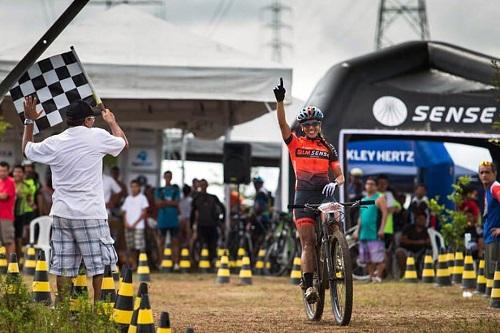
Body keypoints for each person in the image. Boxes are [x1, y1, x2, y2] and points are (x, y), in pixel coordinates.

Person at [22, 96, 127, 302]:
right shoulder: (97, 136)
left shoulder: (55, 141)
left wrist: (29, 120)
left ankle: (63, 313)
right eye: (92, 119)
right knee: (100, 266)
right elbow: (123, 143)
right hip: (90, 213)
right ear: (88, 120)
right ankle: (99, 313)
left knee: (63, 267)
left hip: (61, 213)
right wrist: (112, 121)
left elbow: (27, 148)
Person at [274, 78, 344, 303]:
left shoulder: (327, 147)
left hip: (325, 194)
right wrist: (280, 102)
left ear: (320, 126)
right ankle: (308, 283)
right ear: (303, 127)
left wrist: (338, 182)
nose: (312, 128)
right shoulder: (295, 143)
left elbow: (339, 173)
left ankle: (336, 253)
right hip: (303, 197)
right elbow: (283, 125)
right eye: (308, 125)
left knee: (333, 223)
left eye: (315, 124)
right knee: (307, 242)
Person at [353, 177, 388, 283]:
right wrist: (356, 231)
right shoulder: (363, 200)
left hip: (375, 231)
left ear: (376, 186)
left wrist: (382, 228)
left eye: (372, 184)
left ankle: (378, 276)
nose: (369, 186)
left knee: (378, 257)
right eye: (367, 184)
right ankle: (372, 277)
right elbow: (360, 217)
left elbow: (385, 213)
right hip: (364, 232)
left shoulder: (379, 198)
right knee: (367, 258)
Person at [191, 179, 225, 263]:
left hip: (212, 224)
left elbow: (222, 208)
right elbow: (192, 212)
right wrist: (191, 225)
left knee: (212, 244)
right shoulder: (196, 198)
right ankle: (199, 261)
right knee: (200, 244)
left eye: (204, 185)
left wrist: (222, 221)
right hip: (201, 224)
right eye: (201, 185)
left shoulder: (213, 197)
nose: (203, 187)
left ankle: (212, 260)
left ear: (207, 186)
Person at [478, 161, 500, 284]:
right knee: (492, 277)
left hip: (496, 239)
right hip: (490, 238)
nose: (484, 175)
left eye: (487, 172)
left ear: (494, 173)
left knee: (495, 275)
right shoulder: (488, 189)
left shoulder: (495, 187)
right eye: (482, 172)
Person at [121, 179, 149, 270]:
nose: (133, 188)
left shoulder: (142, 198)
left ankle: (141, 265)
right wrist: (126, 223)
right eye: (132, 187)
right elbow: (124, 212)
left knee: (139, 247)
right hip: (128, 226)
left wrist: (134, 223)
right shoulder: (128, 198)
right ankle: (133, 264)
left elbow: (144, 212)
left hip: (138, 226)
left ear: (139, 188)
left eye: (135, 186)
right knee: (130, 247)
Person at [155, 171, 180, 269]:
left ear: (171, 177)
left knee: (175, 242)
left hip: (173, 219)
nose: (168, 178)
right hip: (162, 220)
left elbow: (177, 203)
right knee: (161, 242)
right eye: (166, 176)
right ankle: (161, 263)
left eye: (169, 176)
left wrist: (164, 202)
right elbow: (157, 203)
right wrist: (170, 202)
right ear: (164, 177)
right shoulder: (159, 190)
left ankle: (176, 264)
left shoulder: (175, 189)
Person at [395, 209, 430, 278]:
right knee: (399, 252)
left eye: (423, 219)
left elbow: (429, 243)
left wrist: (427, 242)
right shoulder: (408, 228)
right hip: (407, 250)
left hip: (421, 252)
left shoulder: (427, 230)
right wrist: (418, 242)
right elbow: (403, 240)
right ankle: (404, 273)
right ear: (415, 219)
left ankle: (421, 274)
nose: (421, 221)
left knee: (429, 254)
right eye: (419, 219)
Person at [13, 164, 36, 260]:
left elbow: (30, 200)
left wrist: (32, 204)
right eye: (15, 172)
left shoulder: (26, 186)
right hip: (8, 215)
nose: (17, 174)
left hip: (20, 215)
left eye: (19, 172)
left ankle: (18, 260)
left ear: (23, 174)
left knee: (18, 239)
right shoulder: (9, 182)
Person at [250, 176, 271, 253]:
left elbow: (258, 207)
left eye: (255, 184)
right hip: (264, 219)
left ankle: (257, 255)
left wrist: (252, 216)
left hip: (261, 219)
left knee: (257, 238)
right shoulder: (265, 192)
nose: (254, 186)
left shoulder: (261, 193)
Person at [0, 161, 16, 256]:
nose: (2, 173)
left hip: (6, 217)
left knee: (8, 241)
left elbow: (4, 196)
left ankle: (12, 265)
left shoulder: (10, 181)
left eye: (4, 171)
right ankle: (3, 266)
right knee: (2, 242)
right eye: (0, 170)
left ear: (8, 171)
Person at [178, 184, 193, 250]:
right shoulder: (191, 200)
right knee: (188, 238)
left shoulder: (179, 200)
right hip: (187, 220)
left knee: (180, 238)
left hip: (180, 219)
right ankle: (188, 252)